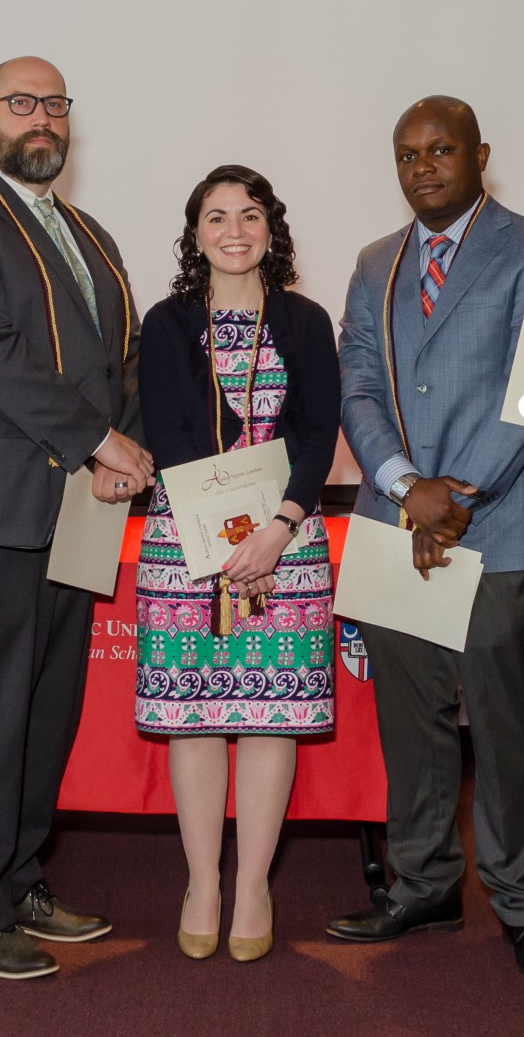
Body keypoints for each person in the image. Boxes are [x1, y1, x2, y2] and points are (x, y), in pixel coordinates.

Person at [0, 57, 149, 980]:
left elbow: (115, 360)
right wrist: (101, 441)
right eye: (21, 103)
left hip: (79, 505)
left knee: (49, 708)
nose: (39, 118)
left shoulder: (88, 232)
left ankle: (17, 876)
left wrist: (124, 445)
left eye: (53, 104)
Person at [327, 96, 524, 984]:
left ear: (479, 155)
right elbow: (355, 377)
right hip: (392, 519)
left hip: (495, 524)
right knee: (411, 719)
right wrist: (402, 485)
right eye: (406, 155)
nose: (422, 166)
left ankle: (519, 901)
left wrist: (457, 496)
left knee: (501, 720)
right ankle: (423, 882)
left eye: (439, 150)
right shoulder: (374, 262)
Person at [134, 166, 341, 964]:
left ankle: (252, 883)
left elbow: (319, 433)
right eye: (215, 216)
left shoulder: (303, 318)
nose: (232, 230)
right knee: (194, 722)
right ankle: (202, 882)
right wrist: (226, 543)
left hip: (286, 543)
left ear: (270, 227)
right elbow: (170, 433)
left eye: (247, 214)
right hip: (186, 544)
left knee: (266, 716)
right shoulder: (165, 321)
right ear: (194, 234)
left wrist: (276, 529)